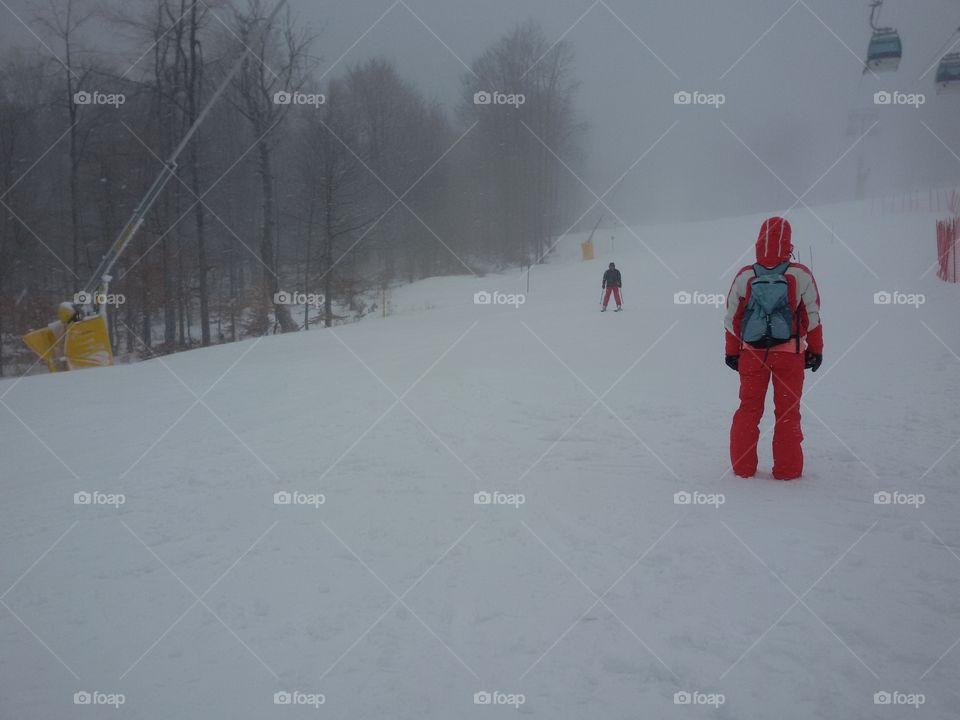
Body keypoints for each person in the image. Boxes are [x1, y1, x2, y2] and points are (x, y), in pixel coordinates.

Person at [724, 217, 822, 480]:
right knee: (788, 412)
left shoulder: (746, 275)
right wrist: (816, 349)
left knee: (749, 409)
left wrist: (732, 352)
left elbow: (732, 318)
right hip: (790, 355)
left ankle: (743, 467)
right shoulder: (799, 274)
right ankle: (787, 470)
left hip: (752, 355)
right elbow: (812, 316)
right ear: (788, 243)